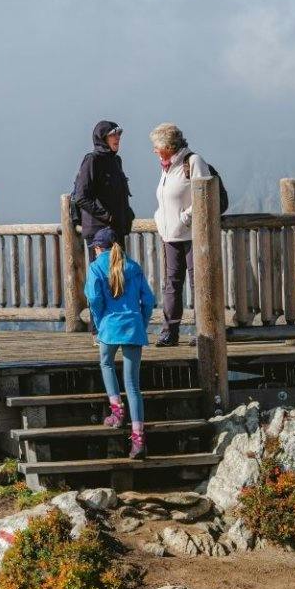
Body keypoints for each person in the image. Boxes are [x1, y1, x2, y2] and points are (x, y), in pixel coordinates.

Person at [86, 226, 155, 460]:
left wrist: (99, 323)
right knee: (133, 385)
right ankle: (138, 441)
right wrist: (141, 323)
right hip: (134, 327)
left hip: (109, 327)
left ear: (98, 248)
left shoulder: (96, 267)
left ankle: (116, 412)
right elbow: (149, 300)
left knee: (106, 363)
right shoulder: (133, 267)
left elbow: (94, 300)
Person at [148, 122, 215, 348]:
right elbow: (164, 201)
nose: (154, 150)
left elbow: (204, 195)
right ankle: (170, 332)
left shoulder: (193, 162)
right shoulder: (166, 168)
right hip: (171, 236)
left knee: (199, 284)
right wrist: (159, 218)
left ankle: (203, 330)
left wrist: (185, 218)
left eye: (156, 146)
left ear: (168, 145)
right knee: (172, 285)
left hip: (194, 235)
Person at [71, 119, 134, 243]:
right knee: (102, 264)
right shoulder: (92, 160)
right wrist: (107, 216)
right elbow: (81, 197)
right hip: (98, 233)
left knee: (119, 263)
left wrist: (127, 215)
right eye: (112, 135)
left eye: (119, 134)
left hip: (117, 230)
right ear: (102, 138)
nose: (117, 138)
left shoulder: (116, 161)